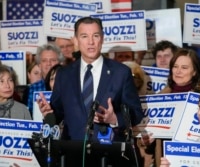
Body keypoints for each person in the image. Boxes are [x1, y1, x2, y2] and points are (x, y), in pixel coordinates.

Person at [38, 16, 144, 166]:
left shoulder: (121, 72)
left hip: (108, 156)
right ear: (76, 40)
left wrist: (114, 119)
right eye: (84, 36)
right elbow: (59, 114)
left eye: (95, 35)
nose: (91, 42)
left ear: (102, 38)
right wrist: (49, 114)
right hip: (72, 155)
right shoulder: (64, 74)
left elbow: (137, 113)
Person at [147, 48, 200, 167]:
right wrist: (145, 141)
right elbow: (148, 140)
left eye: (184, 68)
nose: (178, 71)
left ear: (194, 72)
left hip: (194, 159)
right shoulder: (159, 98)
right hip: (163, 161)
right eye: (175, 66)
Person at [27, 43, 63, 113]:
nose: (48, 63)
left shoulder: (69, 85)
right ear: (39, 65)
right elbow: (29, 113)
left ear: (60, 63)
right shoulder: (34, 88)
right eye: (44, 60)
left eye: (52, 60)